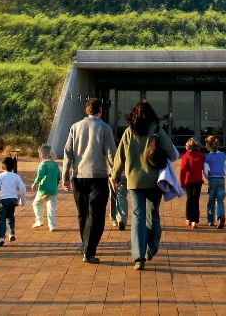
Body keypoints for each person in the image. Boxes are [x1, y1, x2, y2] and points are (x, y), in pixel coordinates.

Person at [112, 100, 177, 270]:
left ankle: (138, 257)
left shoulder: (128, 132)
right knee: (153, 215)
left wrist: (115, 176)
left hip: (134, 181)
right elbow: (173, 153)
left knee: (137, 216)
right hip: (155, 181)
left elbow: (120, 157)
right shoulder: (156, 130)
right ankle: (152, 248)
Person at [63, 97, 117, 264]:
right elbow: (111, 154)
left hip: (78, 177)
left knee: (83, 213)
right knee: (96, 214)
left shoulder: (75, 127)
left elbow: (68, 152)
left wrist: (65, 175)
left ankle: (85, 245)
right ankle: (89, 250)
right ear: (100, 110)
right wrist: (117, 175)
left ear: (86, 111)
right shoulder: (105, 128)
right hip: (98, 177)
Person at [0, 156, 27, 246]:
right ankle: (11, 233)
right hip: (13, 200)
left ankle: (1, 238)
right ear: (13, 167)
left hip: (3, 200)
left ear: (2, 167)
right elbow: (23, 188)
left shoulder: (1, 176)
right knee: (10, 217)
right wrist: (22, 200)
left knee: (1, 219)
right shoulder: (16, 176)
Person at [203, 135, 226, 228]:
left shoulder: (207, 157)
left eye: (206, 144)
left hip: (212, 179)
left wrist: (207, 178)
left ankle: (210, 221)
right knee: (220, 200)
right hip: (221, 180)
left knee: (211, 201)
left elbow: (205, 171)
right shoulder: (222, 155)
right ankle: (221, 217)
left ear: (208, 145)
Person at [31, 144, 61, 231]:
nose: (39, 155)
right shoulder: (55, 164)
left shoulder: (43, 164)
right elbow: (59, 177)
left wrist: (35, 183)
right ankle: (52, 226)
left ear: (45, 154)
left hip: (43, 189)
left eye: (40, 153)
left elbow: (40, 176)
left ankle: (39, 220)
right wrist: (56, 184)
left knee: (36, 204)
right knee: (51, 207)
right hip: (53, 189)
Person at [179, 137, 205, 229]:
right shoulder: (201, 156)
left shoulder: (186, 156)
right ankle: (194, 221)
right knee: (196, 200)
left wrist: (182, 183)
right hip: (198, 181)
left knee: (189, 199)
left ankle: (188, 218)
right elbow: (204, 167)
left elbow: (183, 171)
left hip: (188, 181)